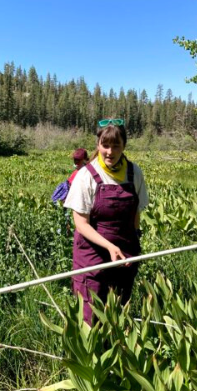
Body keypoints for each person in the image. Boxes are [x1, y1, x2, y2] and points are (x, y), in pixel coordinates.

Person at [63, 118, 149, 324]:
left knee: (118, 313)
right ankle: (92, 355)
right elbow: (81, 224)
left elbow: (136, 213)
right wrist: (110, 246)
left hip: (124, 253)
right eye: (105, 145)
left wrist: (133, 241)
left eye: (116, 145)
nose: (110, 151)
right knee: (91, 316)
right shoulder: (86, 176)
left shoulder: (134, 172)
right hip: (92, 256)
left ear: (124, 146)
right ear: (98, 145)